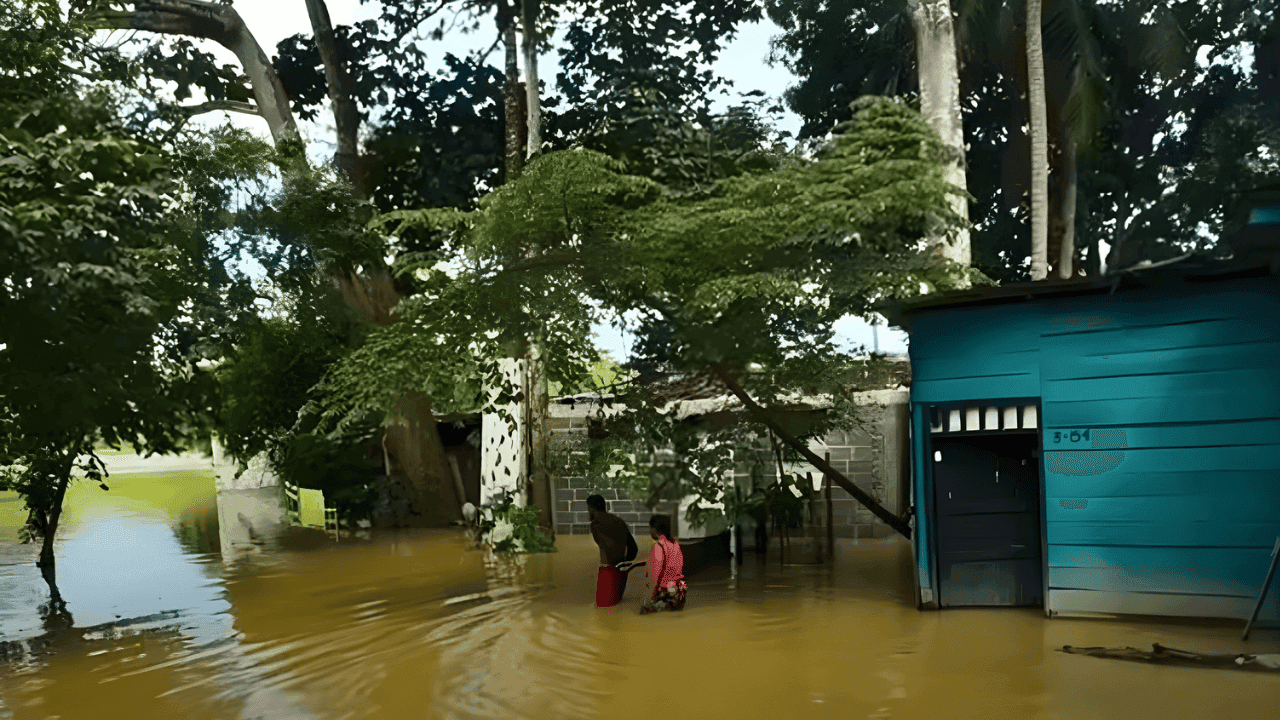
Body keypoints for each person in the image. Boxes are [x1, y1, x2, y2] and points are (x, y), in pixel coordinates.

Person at [623, 514, 687, 614]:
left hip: (663, 596)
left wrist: (648, 599)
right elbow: (672, 566)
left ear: (654, 529)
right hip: (678, 594)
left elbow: (654, 575)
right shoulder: (675, 544)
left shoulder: (658, 546)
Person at [587, 494, 638, 611]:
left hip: (607, 571)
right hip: (621, 570)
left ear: (591, 508)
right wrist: (625, 563)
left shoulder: (596, 525)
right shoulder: (619, 521)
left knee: (601, 610)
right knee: (617, 610)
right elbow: (633, 547)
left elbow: (605, 547)